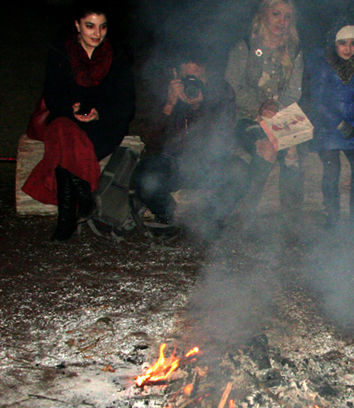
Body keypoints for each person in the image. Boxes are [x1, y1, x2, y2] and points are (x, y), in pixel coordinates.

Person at [22, 0, 135, 242]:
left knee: (64, 148)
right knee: (63, 130)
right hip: (68, 120)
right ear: (77, 25)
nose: (97, 33)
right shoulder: (61, 50)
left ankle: (67, 221)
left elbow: (125, 102)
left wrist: (98, 112)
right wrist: (70, 110)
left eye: (102, 27)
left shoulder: (118, 54)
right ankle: (83, 198)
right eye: (90, 26)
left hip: (104, 126)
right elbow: (52, 94)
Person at [133, 52, 251, 239]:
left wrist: (200, 107)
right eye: (187, 78)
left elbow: (223, 137)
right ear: (175, 74)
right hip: (168, 162)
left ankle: (212, 216)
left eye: (199, 77)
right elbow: (149, 138)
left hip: (206, 163)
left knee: (240, 172)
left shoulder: (221, 91)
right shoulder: (159, 90)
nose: (193, 84)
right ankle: (167, 214)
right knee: (147, 180)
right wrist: (169, 105)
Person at [224, 0, 304, 215]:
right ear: (263, 15)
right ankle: (245, 212)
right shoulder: (245, 47)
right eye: (276, 14)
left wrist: (276, 107)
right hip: (246, 115)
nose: (282, 21)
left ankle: (292, 216)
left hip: (280, 113)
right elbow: (231, 89)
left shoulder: (294, 49)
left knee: (293, 148)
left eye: (288, 16)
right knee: (267, 148)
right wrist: (259, 108)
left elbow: (294, 92)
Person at [306, 16, 354, 228]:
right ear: (334, 44)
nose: (348, 48)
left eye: (352, 43)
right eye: (342, 43)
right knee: (332, 167)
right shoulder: (324, 66)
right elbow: (318, 100)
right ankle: (332, 215)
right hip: (329, 126)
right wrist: (339, 124)